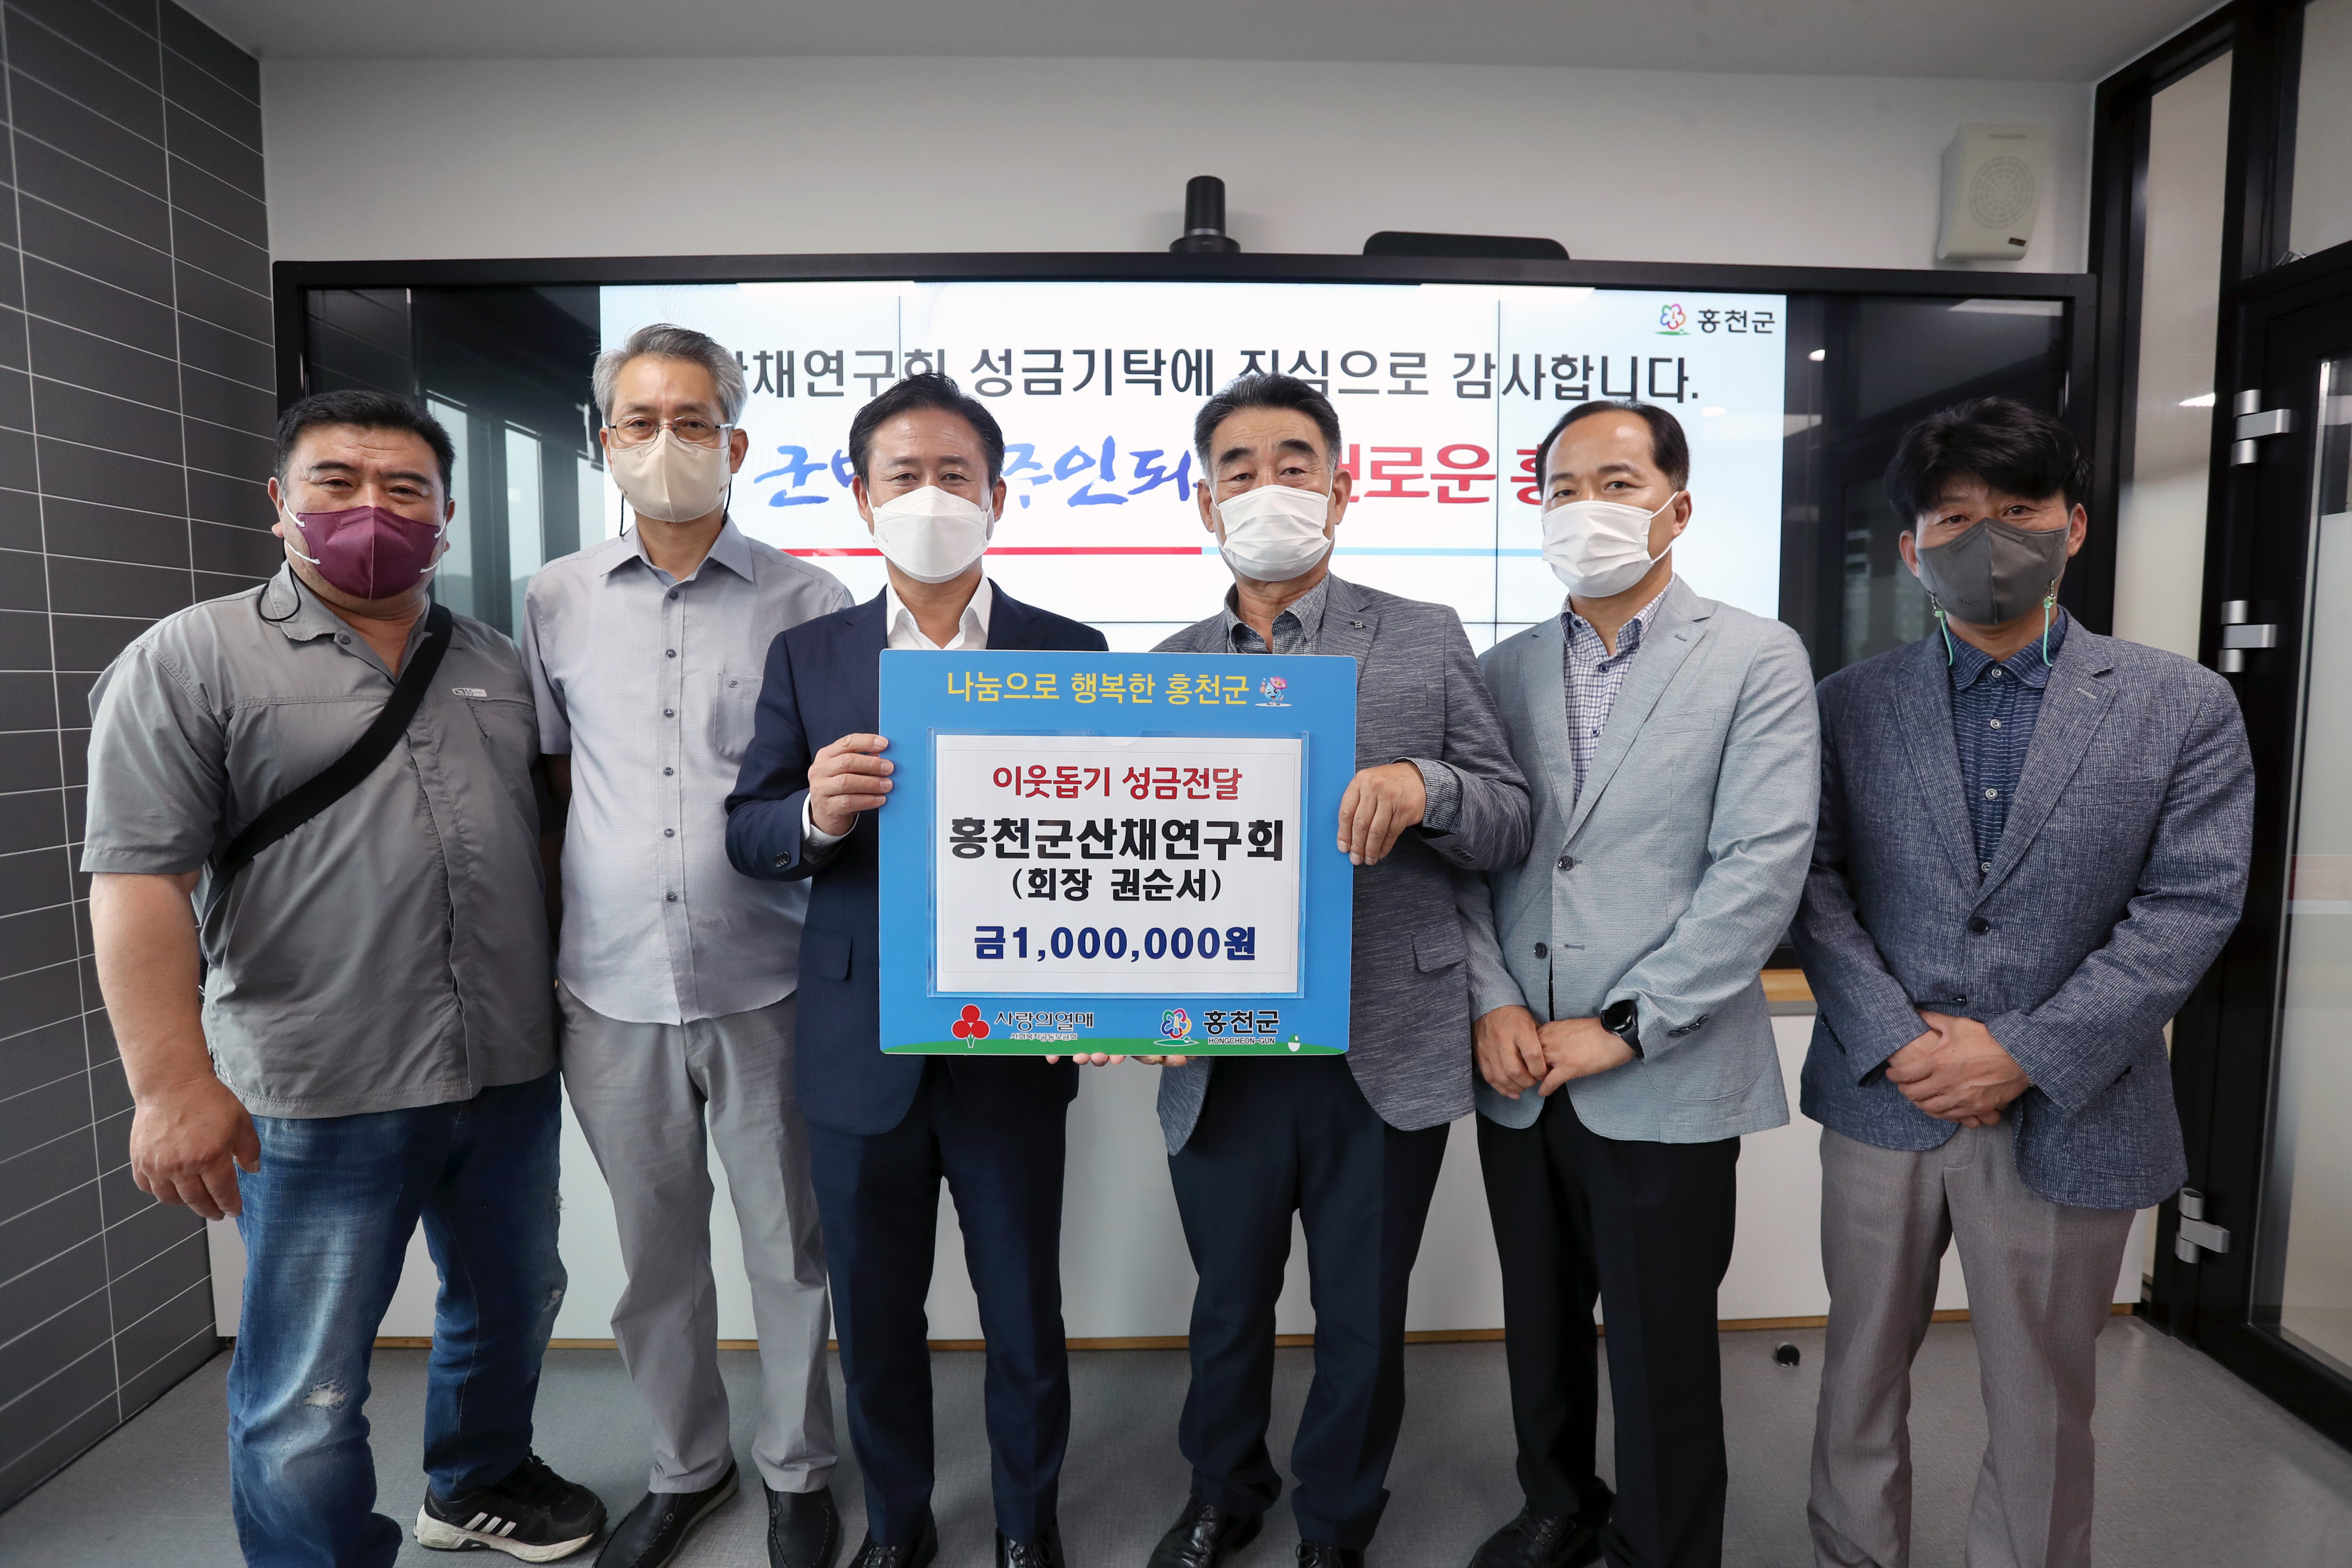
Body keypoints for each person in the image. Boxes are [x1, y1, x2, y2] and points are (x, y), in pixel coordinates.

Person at [82, 390, 604, 1567]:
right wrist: (169, 1086)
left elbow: (547, 841)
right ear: (281, 503)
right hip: (319, 1083)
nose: (373, 508)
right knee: (308, 1381)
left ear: (446, 518)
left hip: (504, 1066)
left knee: (513, 1299)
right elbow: (137, 880)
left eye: (406, 488)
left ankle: (478, 1482)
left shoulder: (498, 663)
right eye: (337, 482)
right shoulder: (192, 658)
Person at [1792, 397, 2253, 1568]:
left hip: (2074, 1104)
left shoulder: (2182, 704)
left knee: (2044, 1398)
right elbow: (1812, 884)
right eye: (1954, 517)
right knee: (1857, 1374)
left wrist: (2025, 1051)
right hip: (1885, 1094)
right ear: (1911, 548)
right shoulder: (1845, 704)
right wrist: (1898, 1038)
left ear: (2074, 527)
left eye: (2019, 509)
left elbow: (2189, 907)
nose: (1987, 536)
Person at [1139, 373, 1531, 1568]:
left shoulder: (1423, 633)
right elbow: (1136, 865)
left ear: (1341, 489)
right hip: (1223, 1045)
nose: (1269, 486)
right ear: (1207, 503)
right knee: (1227, 1300)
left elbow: (1508, 818)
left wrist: (1430, 787)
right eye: (1240, 469)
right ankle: (1223, 1490)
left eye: (1294, 463)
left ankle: (1338, 1520)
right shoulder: (1165, 663)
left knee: (1362, 1308)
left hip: (1385, 1031)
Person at [725, 374, 1108, 1568]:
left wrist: (1117, 990)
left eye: (956, 475)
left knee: (1024, 1315)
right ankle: (897, 1526)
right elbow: (749, 830)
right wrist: (816, 815)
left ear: (999, 497)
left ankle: (1027, 1526)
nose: (931, 495)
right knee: (877, 1319)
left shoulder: (1071, 650)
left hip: (1014, 1042)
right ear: (861, 495)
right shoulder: (810, 655)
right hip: (860, 1043)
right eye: (904, 475)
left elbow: (1109, 849)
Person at [1458, 399, 1819, 1568]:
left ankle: (1664, 1544)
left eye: (1617, 484)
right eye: (1563, 490)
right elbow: (1469, 864)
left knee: (1661, 1338)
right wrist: (1493, 1002)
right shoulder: (1499, 670)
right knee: (1539, 1319)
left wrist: (1625, 1025)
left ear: (1679, 506)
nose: (1588, 510)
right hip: (1521, 1065)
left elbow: (1761, 865)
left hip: (1664, 1067)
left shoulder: (1756, 656)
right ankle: (1559, 1503)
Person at [524, 325, 851, 1568]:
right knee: (654, 1261)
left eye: (694, 420)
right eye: (642, 421)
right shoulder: (555, 598)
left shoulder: (810, 601)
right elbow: (558, 780)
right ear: (604, 440)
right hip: (609, 988)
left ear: (738, 443)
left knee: (789, 1250)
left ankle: (800, 1470)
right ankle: (687, 1467)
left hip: (770, 978)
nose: (668, 443)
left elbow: (827, 798)